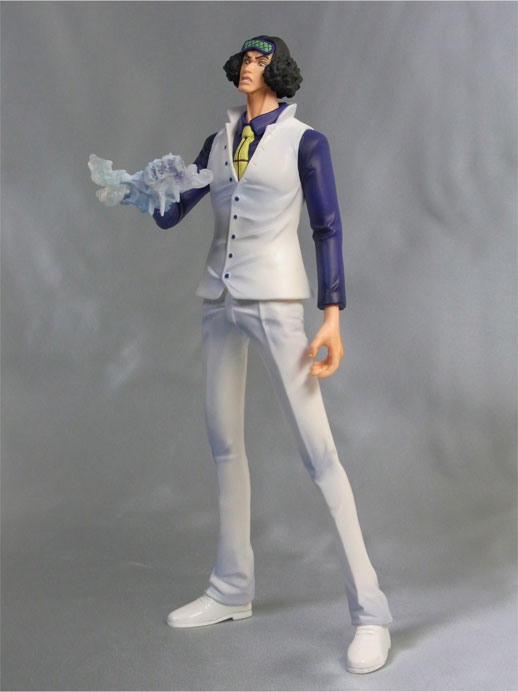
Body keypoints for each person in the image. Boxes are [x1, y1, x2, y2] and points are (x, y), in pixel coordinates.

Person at [124, 35, 393, 674]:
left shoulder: (306, 142)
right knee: (223, 444)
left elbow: (327, 227)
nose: (249, 66)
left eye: (260, 59)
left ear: (279, 70)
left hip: (275, 300)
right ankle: (231, 586)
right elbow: (174, 212)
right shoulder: (218, 143)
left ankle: (371, 611)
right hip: (217, 298)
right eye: (245, 59)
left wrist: (331, 316)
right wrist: (143, 190)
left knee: (319, 452)